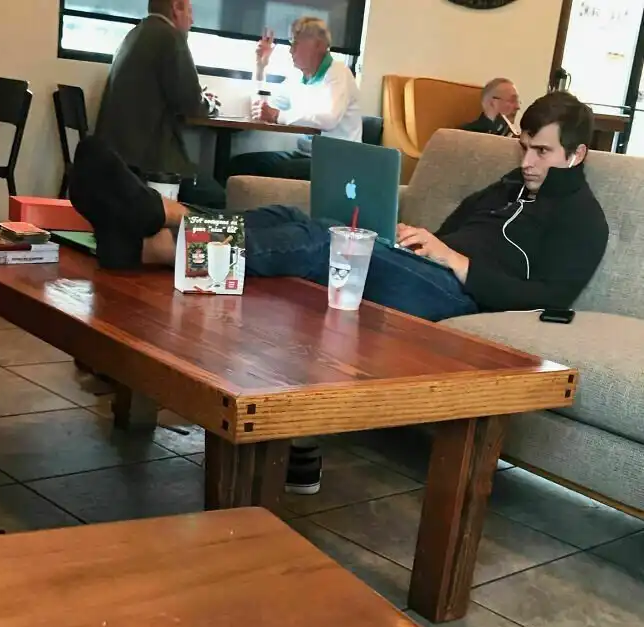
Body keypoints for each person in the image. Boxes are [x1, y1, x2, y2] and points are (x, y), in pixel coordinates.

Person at [69, 91, 608, 494]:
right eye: (524, 148)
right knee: (290, 217)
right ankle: (152, 229)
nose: (527, 162)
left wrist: (453, 260)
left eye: (542, 152)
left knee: (316, 245)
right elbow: (453, 229)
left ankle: (153, 231)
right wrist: (418, 238)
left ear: (577, 154)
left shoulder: (582, 218)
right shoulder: (509, 185)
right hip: (425, 267)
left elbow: (550, 294)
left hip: (455, 293)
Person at [94, 0, 225, 208]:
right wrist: (211, 104)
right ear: (176, 8)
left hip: (117, 158)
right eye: (190, 11)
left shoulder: (134, 34)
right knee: (218, 197)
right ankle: (187, 231)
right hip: (147, 165)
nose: (192, 20)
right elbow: (192, 104)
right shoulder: (170, 37)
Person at [225, 17, 363, 182]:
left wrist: (278, 115)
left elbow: (329, 119)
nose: (291, 50)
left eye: (296, 44)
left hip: (338, 162)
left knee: (277, 172)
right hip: (306, 155)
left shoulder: (338, 72)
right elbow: (266, 107)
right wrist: (260, 67)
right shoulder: (297, 77)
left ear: (319, 46)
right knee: (241, 165)